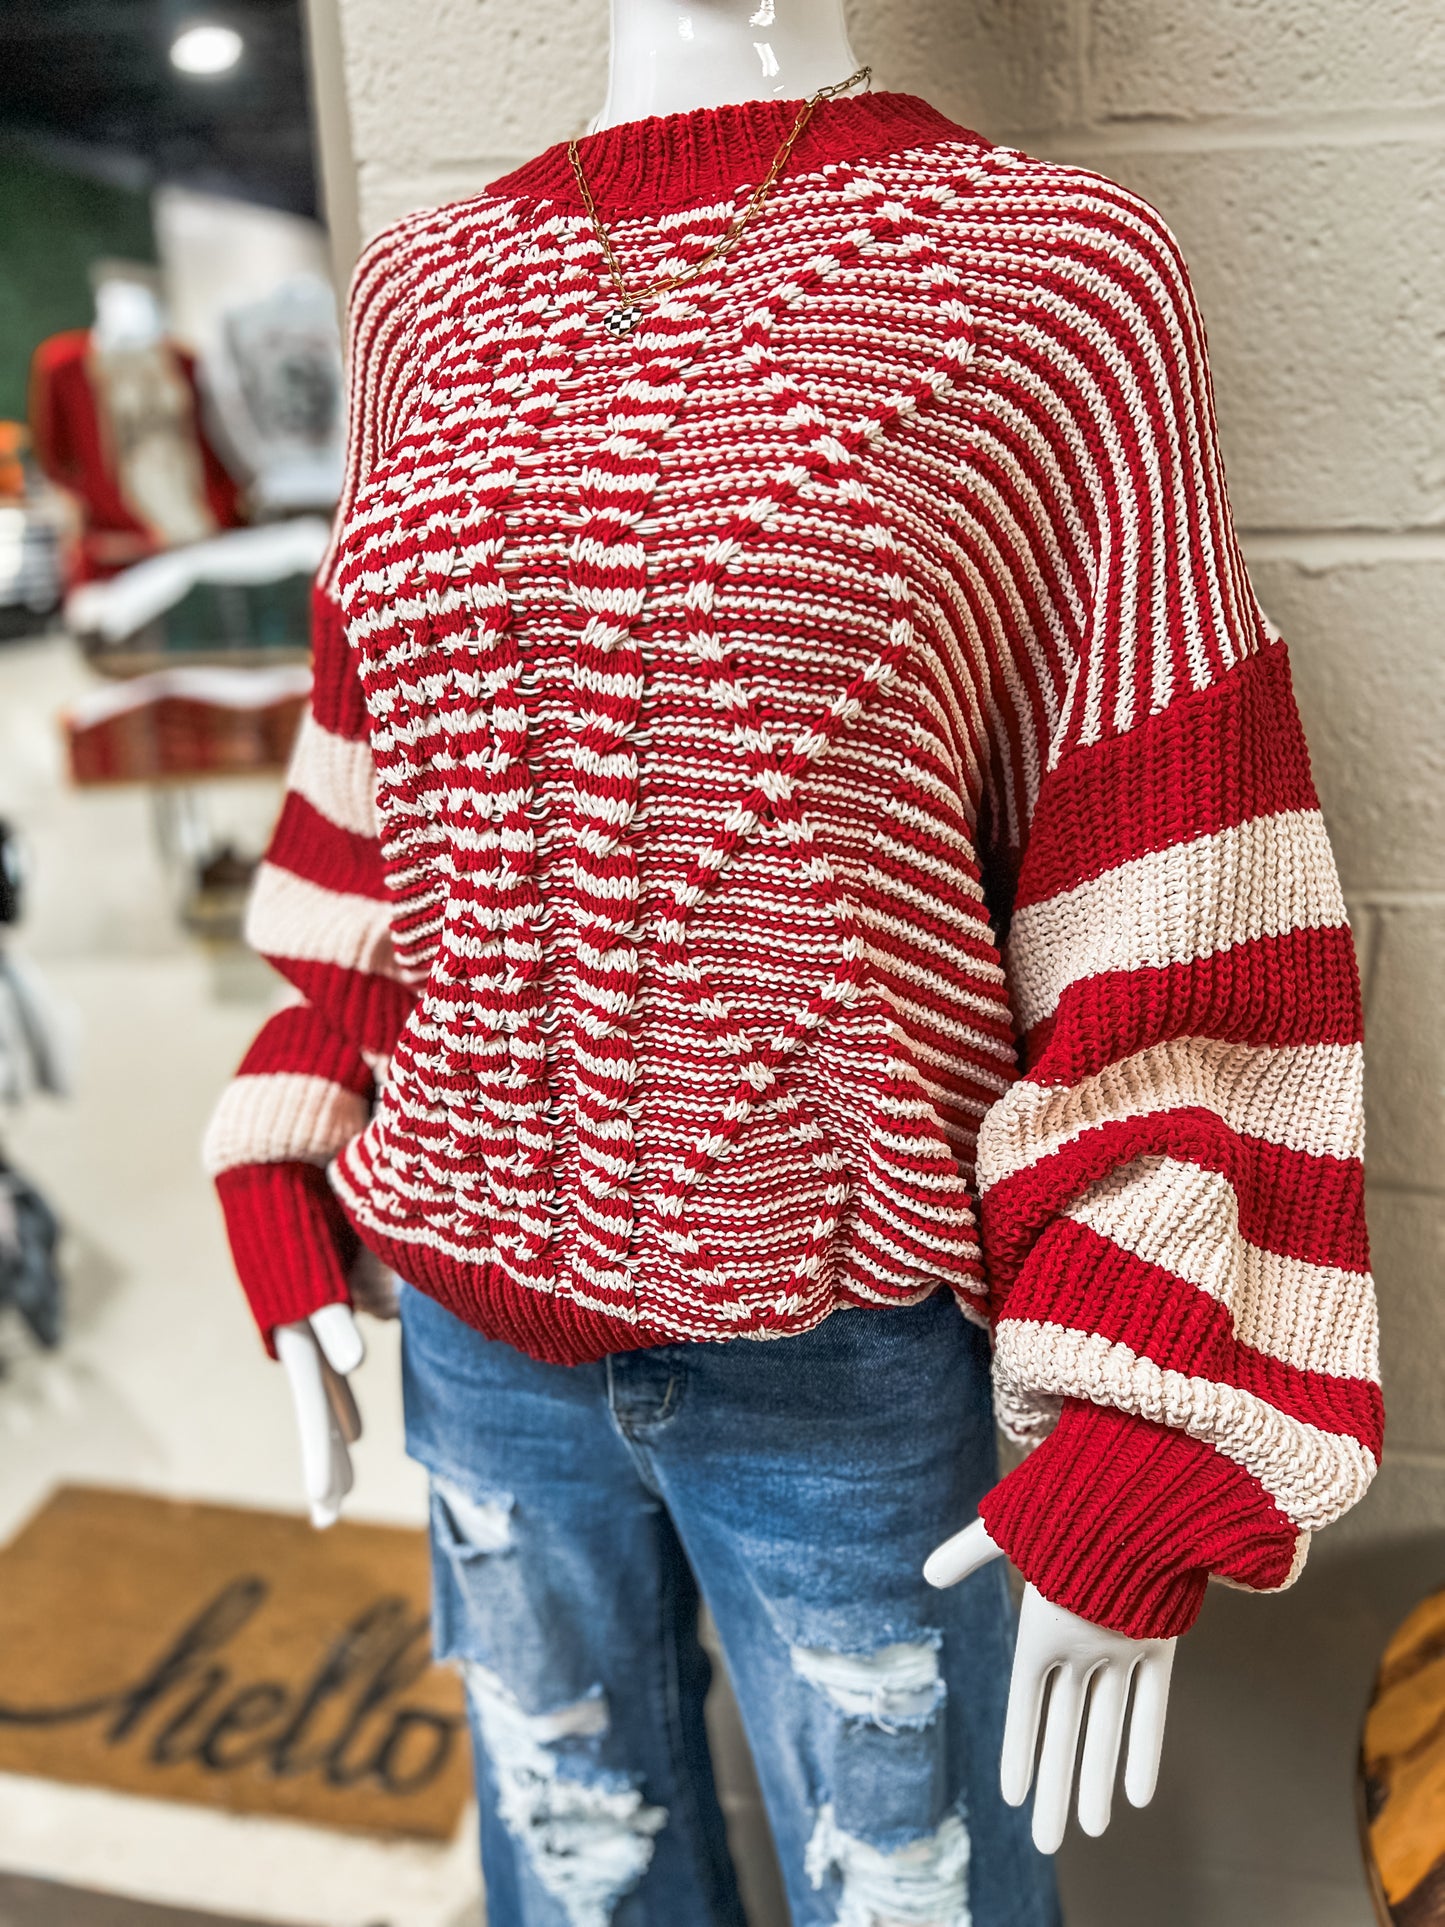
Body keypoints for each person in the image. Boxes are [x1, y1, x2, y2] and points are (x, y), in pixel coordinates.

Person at [203, 20, 1381, 1924]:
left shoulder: (1057, 277)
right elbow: (374, 784)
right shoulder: (420, 291)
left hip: (839, 1359)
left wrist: (1145, 1400)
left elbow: (1165, 891)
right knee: (573, 1882)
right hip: (468, 1335)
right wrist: (288, 1122)